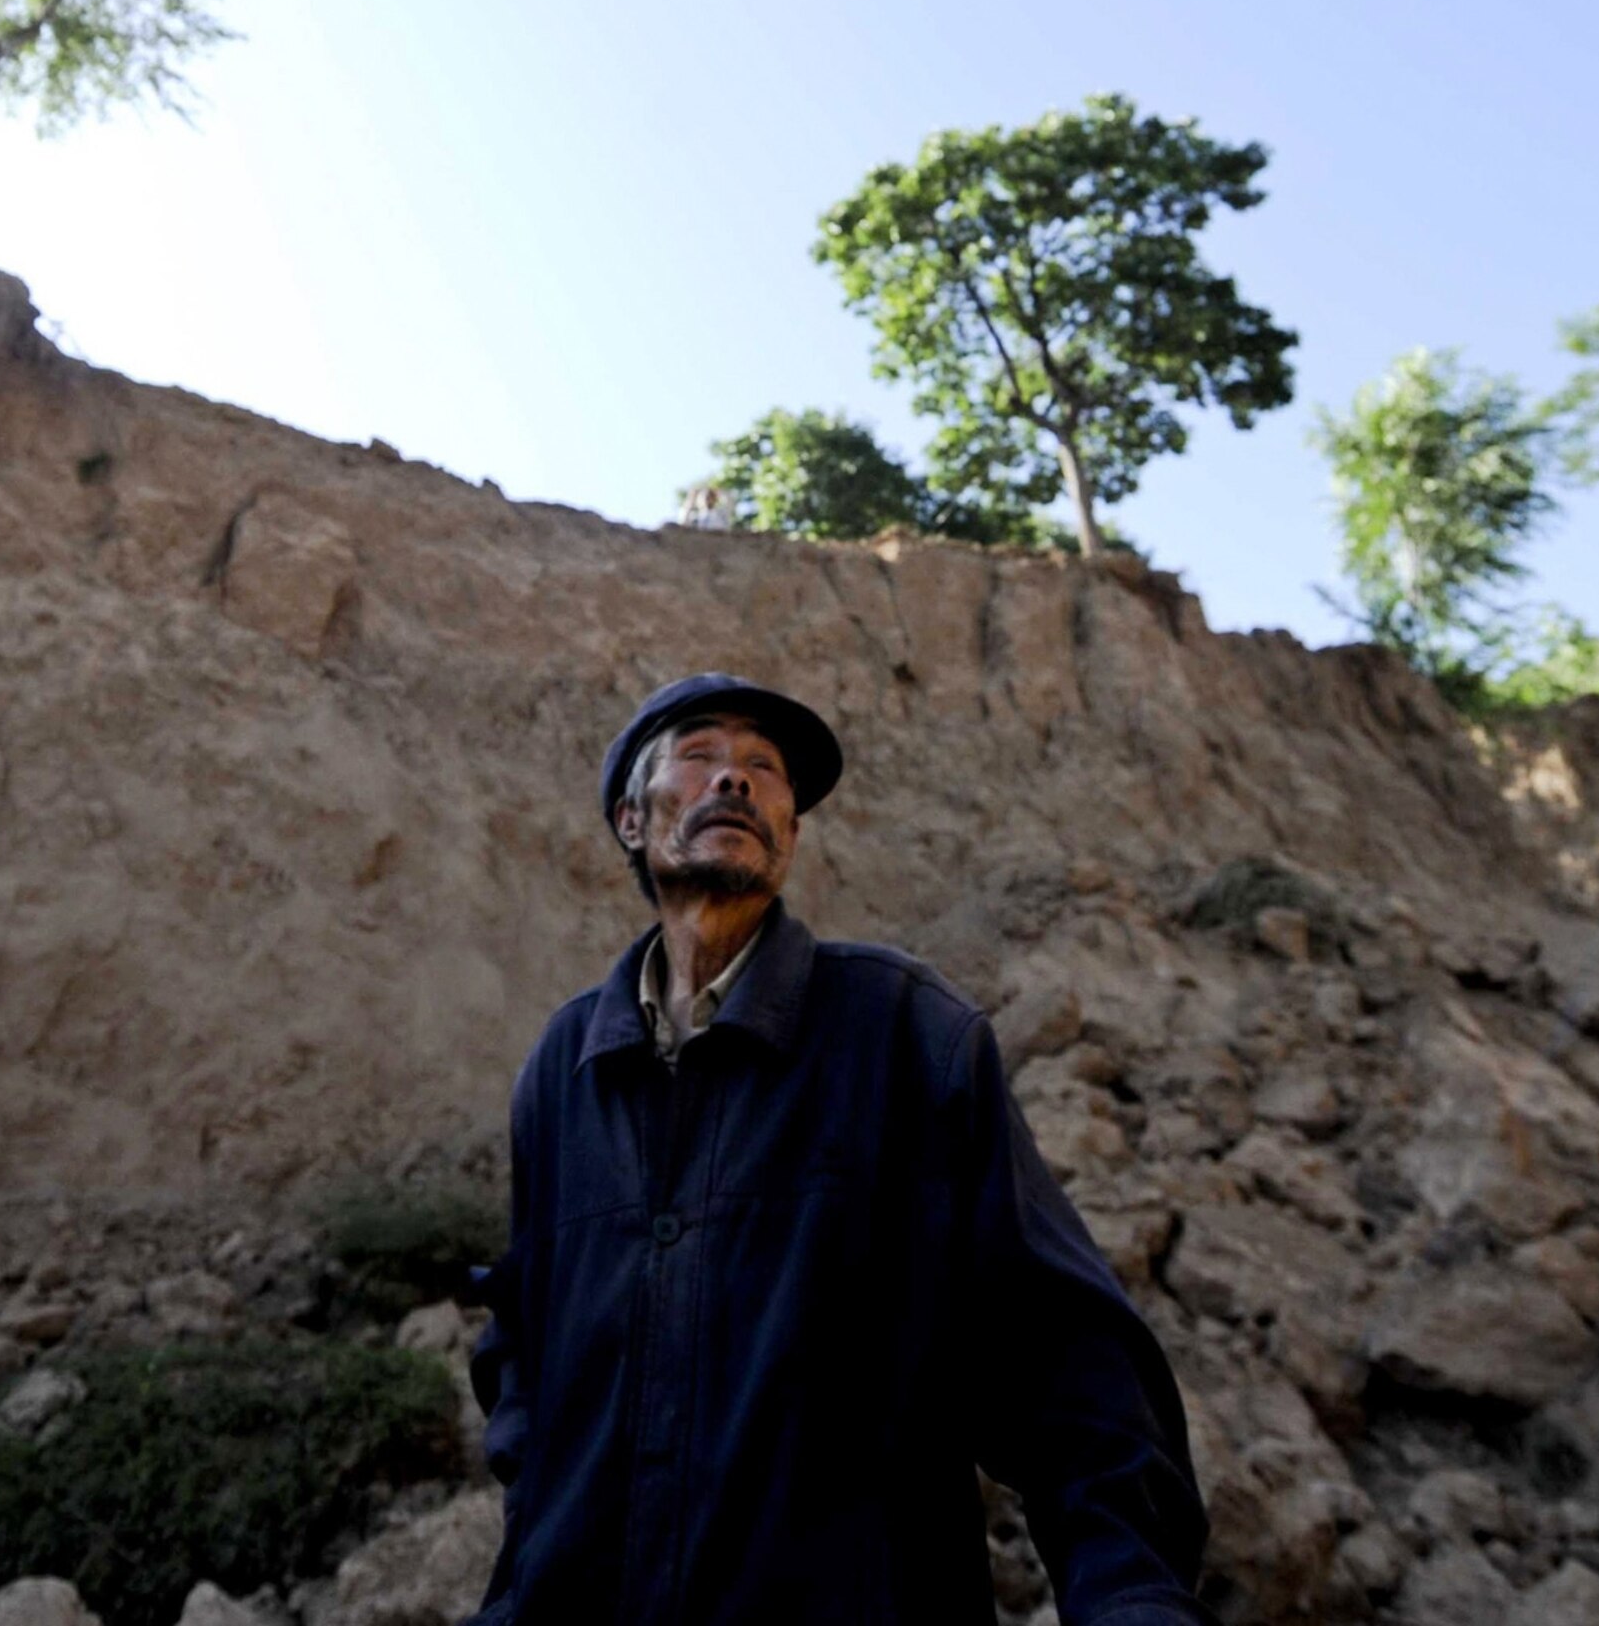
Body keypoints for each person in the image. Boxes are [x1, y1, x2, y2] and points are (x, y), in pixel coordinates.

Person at [469, 673, 1214, 1625]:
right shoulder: (562, 1069)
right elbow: (523, 1349)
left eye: (764, 767)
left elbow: (1062, 1354)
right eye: (698, 754)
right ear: (629, 817)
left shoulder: (903, 1031)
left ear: (791, 831)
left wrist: (1133, 1594)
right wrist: (526, 1560)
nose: (734, 779)